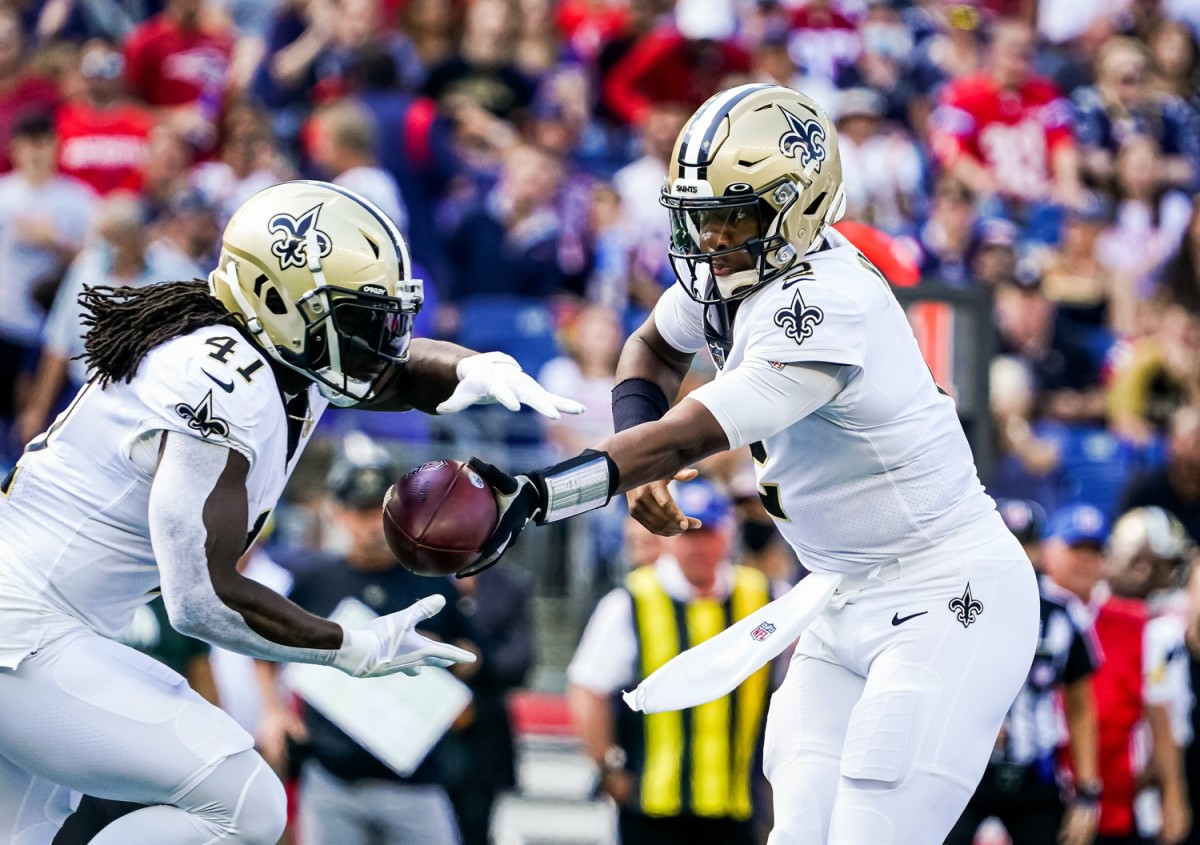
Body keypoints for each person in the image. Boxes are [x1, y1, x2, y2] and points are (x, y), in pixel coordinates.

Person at [464, 83, 1041, 845]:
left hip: (945, 590)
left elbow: (686, 437)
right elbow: (652, 348)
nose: (711, 240)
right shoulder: (743, 274)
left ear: (799, 207)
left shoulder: (824, 302)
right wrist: (639, 451)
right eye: (700, 217)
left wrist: (539, 495)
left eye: (733, 217)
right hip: (839, 595)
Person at [0, 179, 581, 845]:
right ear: (276, 302)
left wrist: (473, 366)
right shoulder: (221, 377)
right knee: (243, 800)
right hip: (30, 629)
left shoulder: (268, 353)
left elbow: (393, 373)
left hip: (42, 624)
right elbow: (202, 595)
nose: (378, 340)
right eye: (359, 319)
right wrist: (348, 647)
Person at [566, 477, 770, 845]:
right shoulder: (631, 599)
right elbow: (587, 688)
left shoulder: (761, 596)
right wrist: (608, 767)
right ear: (666, 539)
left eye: (707, 532)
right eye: (686, 533)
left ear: (728, 534)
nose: (697, 545)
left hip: (737, 803)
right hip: (651, 805)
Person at [946, 501, 1103, 845]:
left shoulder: (1064, 614)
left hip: (1037, 776)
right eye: (1009, 539)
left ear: (1040, 550)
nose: (1017, 552)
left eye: (1026, 542)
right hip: (962, 773)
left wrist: (1088, 791)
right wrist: (972, 715)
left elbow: (1080, 707)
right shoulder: (955, 606)